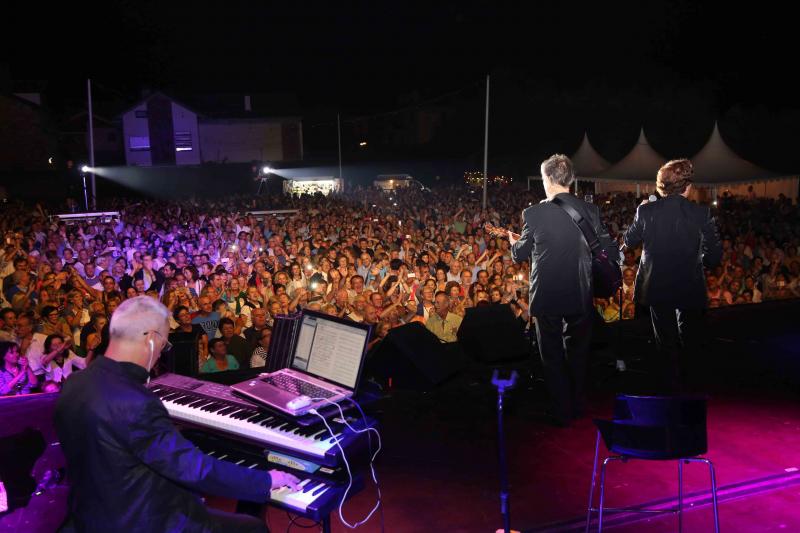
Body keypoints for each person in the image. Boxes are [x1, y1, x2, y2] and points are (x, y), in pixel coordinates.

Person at [55, 296, 299, 532]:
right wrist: (265, 480)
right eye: (165, 344)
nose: (161, 353)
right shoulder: (136, 402)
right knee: (252, 528)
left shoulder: (75, 383)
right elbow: (195, 470)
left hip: (91, 514)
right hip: (143, 521)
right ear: (151, 340)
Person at [509, 154, 619, 426]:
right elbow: (609, 250)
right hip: (580, 292)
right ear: (570, 179)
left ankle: (561, 410)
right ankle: (578, 403)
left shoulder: (533, 213)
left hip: (546, 294)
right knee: (578, 352)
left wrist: (514, 242)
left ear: (547, 179)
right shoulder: (590, 211)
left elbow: (519, 254)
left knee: (551, 355)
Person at [623, 159, 721, 390]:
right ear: (688, 187)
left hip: (657, 283)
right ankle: (692, 386)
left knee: (664, 341)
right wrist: (698, 263)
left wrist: (644, 211)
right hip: (689, 283)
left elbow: (629, 240)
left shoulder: (646, 210)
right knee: (691, 339)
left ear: (661, 186)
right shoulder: (701, 213)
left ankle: (669, 387)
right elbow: (715, 255)